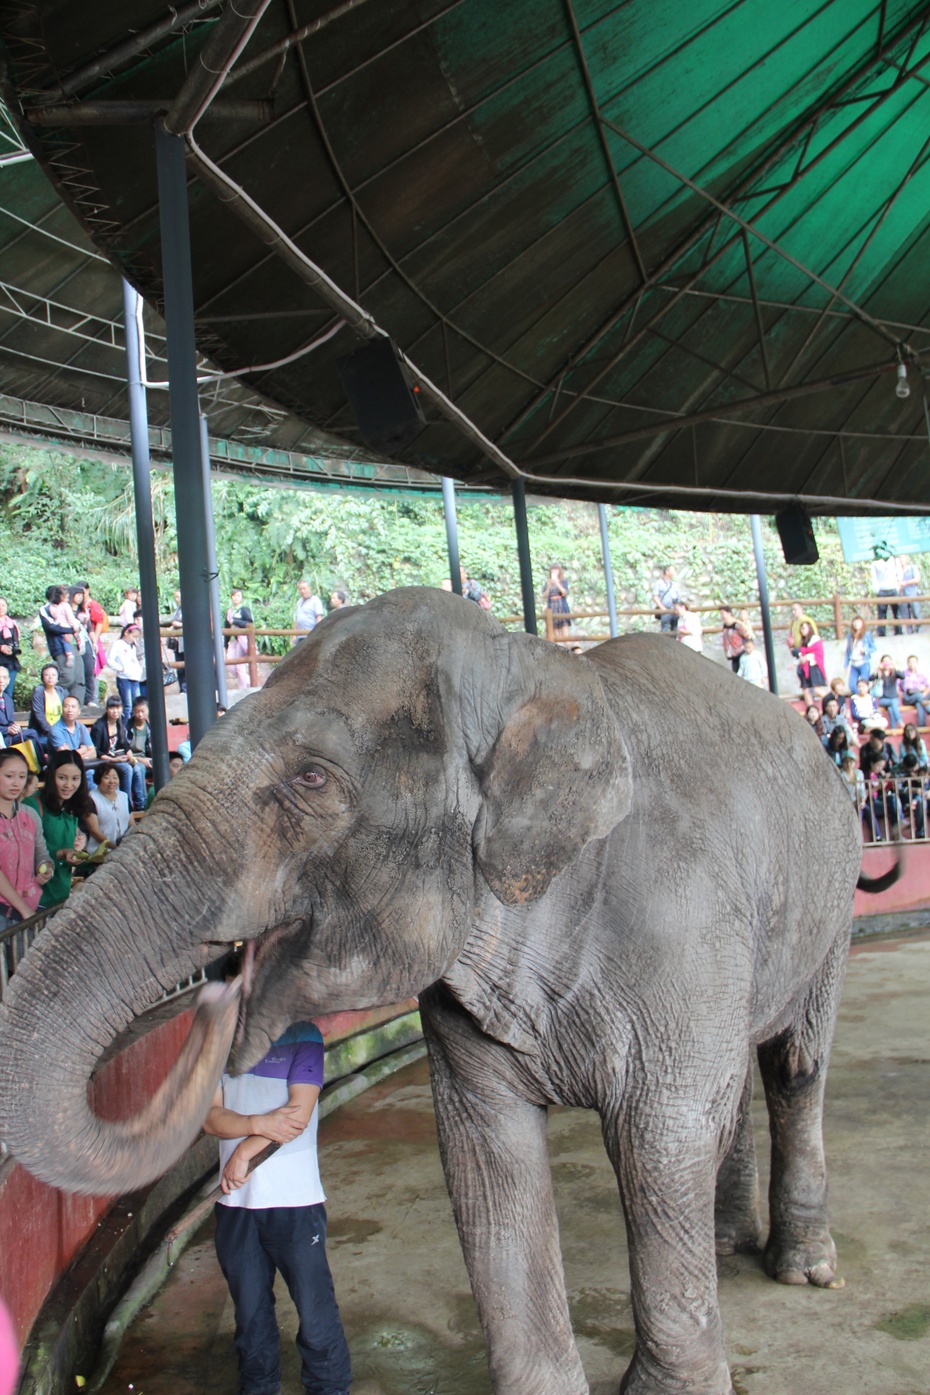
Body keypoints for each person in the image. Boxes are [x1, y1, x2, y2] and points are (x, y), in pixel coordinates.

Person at [202, 998, 352, 1395]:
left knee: (316, 1317)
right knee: (250, 1322)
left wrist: (244, 1151)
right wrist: (257, 1124)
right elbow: (209, 1117)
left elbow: (297, 1117)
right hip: (236, 1205)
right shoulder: (219, 1043)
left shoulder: (304, 1035)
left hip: (296, 1202)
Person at [24, 750, 102, 908]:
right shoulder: (31, 805)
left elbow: (68, 856)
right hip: (34, 903)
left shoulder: (70, 808)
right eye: (62, 778)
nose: (68, 785)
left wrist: (92, 860)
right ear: (51, 776)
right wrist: (61, 853)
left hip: (61, 899)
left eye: (75, 779)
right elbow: (24, 853)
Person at [0, 747, 53, 932]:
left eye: (22, 777)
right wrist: (23, 910)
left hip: (29, 908)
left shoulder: (30, 815)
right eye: (9, 776)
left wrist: (46, 868)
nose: (16, 783)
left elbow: (42, 853)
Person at [90, 696, 146, 811]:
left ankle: (140, 805)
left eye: (118, 708)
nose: (115, 711)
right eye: (112, 708)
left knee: (137, 768)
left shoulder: (119, 723)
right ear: (107, 709)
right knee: (127, 769)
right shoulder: (99, 726)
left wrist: (132, 759)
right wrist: (115, 760)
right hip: (105, 761)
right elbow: (97, 752)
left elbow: (125, 746)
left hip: (118, 759)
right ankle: (125, 804)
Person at [39, 585, 82, 698]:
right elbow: (52, 627)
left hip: (72, 644)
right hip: (59, 646)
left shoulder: (64, 606)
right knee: (68, 677)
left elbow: (74, 621)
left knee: (78, 678)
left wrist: (73, 631)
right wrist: (70, 630)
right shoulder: (45, 609)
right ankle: (47, 695)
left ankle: (75, 706)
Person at [50, 695, 98, 776]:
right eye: (66, 706)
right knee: (90, 774)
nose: (70, 710)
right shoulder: (55, 730)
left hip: (80, 767)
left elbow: (93, 752)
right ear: (61, 709)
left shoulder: (81, 728)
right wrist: (83, 750)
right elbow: (66, 758)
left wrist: (75, 756)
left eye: (73, 707)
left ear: (79, 711)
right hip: (60, 769)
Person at [87, 764, 130, 854]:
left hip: (124, 849)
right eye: (107, 778)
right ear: (99, 779)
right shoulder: (91, 798)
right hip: (99, 852)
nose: (112, 781)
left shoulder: (124, 796)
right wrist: (114, 848)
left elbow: (131, 824)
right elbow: (94, 831)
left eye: (115, 777)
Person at [0, 666, 41, 755]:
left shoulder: (8, 699)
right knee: (32, 733)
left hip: (9, 736)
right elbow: (7, 727)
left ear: (8, 680)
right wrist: (7, 730)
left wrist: (15, 727)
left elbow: (10, 722)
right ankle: (42, 764)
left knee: (31, 736)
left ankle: (34, 764)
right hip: (1, 737)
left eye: (4, 677)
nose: (1, 680)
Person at [30, 662, 67, 753]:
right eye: (46, 675)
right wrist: (54, 733)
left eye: (53, 675)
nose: (50, 677)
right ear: (42, 678)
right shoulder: (39, 691)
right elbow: (40, 716)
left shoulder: (61, 691)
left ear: (57, 678)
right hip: (43, 733)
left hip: (61, 731)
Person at [107, 622, 144, 711]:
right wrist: (121, 668)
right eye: (133, 636)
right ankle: (125, 724)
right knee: (128, 705)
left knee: (136, 705)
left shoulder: (132, 646)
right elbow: (109, 659)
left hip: (135, 678)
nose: (134, 639)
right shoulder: (118, 644)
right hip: (124, 678)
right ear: (126, 633)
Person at [870, 545, 902, 637]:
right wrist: (877, 590)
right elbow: (874, 577)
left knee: (897, 613)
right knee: (881, 614)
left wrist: (898, 586)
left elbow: (899, 573)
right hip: (882, 590)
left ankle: (899, 631)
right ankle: (881, 633)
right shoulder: (875, 563)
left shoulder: (895, 560)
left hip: (893, 589)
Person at [795, 620, 828, 705]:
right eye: (801, 629)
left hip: (813, 666)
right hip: (804, 668)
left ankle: (830, 700)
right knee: (805, 689)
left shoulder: (815, 639)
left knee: (817, 689)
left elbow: (816, 652)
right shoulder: (803, 642)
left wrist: (806, 656)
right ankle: (811, 708)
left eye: (804, 628)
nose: (802, 630)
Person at [226, 588, 254, 688]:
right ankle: (247, 681)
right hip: (233, 640)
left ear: (241, 598)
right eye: (234, 595)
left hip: (242, 639)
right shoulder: (229, 611)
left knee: (239, 664)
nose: (236, 598)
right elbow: (227, 628)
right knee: (230, 665)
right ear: (231, 597)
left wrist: (236, 621)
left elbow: (249, 623)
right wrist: (225, 644)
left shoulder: (244, 610)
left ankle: (243, 688)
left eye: (238, 596)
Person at [871, 654, 904, 730]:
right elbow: (871, 678)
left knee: (891, 708)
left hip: (894, 697)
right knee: (893, 703)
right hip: (884, 699)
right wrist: (877, 669)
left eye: (888, 661)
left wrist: (894, 667)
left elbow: (902, 676)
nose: (886, 663)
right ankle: (900, 721)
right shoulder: (880, 673)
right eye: (884, 661)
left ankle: (893, 728)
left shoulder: (894, 673)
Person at [844, 615, 875, 691]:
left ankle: (865, 698)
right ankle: (859, 697)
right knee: (852, 685)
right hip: (854, 664)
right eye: (855, 622)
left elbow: (874, 648)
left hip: (864, 663)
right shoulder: (850, 636)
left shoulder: (867, 635)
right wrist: (846, 664)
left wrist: (865, 650)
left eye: (858, 622)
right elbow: (848, 651)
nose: (856, 624)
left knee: (864, 684)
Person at [898, 653, 930, 727]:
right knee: (919, 697)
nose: (911, 664)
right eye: (910, 662)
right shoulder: (903, 674)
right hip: (907, 697)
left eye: (913, 662)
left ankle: (921, 725)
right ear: (907, 663)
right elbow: (897, 688)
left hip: (919, 696)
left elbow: (928, 687)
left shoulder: (921, 675)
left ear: (917, 663)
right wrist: (902, 695)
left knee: (919, 703)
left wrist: (923, 694)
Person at [127, 697, 153, 778]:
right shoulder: (127, 727)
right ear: (133, 711)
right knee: (139, 769)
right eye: (137, 711)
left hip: (147, 758)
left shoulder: (150, 728)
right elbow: (125, 751)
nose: (140, 714)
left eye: (143, 711)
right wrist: (140, 760)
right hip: (132, 759)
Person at [719, 606, 750, 673]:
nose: (721, 616)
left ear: (729, 613)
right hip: (732, 655)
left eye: (722, 613)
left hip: (740, 653)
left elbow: (747, 636)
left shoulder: (737, 625)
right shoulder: (725, 626)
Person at [541, 565, 571, 634]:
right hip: (552, 608)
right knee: (555, 633)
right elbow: (544, 595)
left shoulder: (563, 581)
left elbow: (564, 592)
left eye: (556, 570)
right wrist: (548, 587)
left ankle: (567, 645)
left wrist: (556, 583)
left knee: (565, 632)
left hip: (562, 607)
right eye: (552, 570)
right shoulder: (548, 582)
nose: (554, 572)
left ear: (559, 572)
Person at [0, 597, 23, 684]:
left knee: (8, 694)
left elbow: (16, 641)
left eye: (3, 605)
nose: (1, 607)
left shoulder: (12, 624)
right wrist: (1, 647)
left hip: (11, 662)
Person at [653, 564, 680, 635]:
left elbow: (677, 597)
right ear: (667, 572)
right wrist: (662, 608)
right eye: (673, 570)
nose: (674, 572)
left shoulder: (674, 584)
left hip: (674, 609)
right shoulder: (659, 583)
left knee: (675, 629)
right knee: (665, 629)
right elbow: (655, 596)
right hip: (665, 609)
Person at [899, 554, 921, 633]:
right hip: (902, 595)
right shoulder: (898, 571)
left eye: (903, 559)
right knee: (906, 616)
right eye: (900, 559)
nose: (901, 561)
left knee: (916, 613)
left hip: (913, 594)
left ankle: (919, 631)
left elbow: (917, 579)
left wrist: (905, 583)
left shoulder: (912, 568)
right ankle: (909, 632)